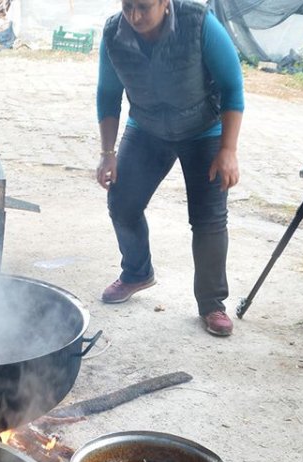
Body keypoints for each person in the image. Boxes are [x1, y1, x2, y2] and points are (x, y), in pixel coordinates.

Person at [95, 0, 244, 337]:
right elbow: (107, 93)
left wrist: (228, 150)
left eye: (144, 7)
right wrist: (108, 152)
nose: (134, 16)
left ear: (165, 3)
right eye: (128, 6)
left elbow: (232, 87)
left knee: (208, 219)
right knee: (122, 203)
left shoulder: (199, 23)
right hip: (146, 128)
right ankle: (136, 273)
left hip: (203, 130)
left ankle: (211, 304)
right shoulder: (113, 33)